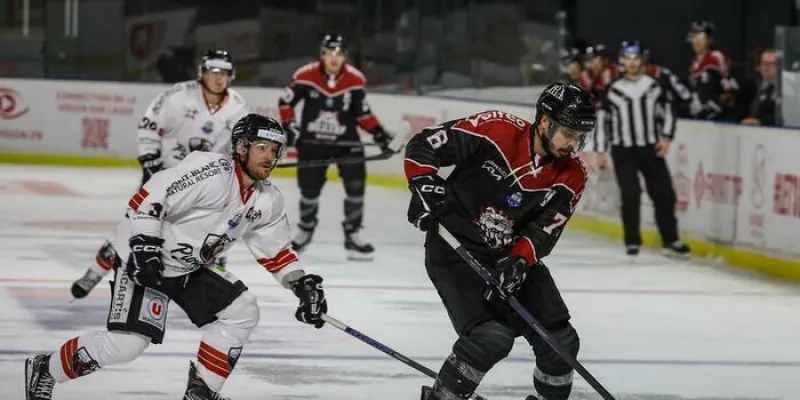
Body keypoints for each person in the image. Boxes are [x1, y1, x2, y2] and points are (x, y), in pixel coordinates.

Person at [25, 114, 328, 400]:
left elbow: (277, 253)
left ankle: (201, 392)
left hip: (187, 267)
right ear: (241, 147)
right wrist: (145, 246)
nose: (269, 156)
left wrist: (302, 285)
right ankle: (46, 368)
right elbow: (152, 195)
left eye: (275, 149)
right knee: (127, 344)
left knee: (242, 309)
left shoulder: (268, 198)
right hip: (144, 259)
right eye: (261, 147)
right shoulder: (211, 172)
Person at [404, 82, 596, 400]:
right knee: (490, 338)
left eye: (580, 137)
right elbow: (426, 144)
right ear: (545, 122)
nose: (574, 145)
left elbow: (546, 229)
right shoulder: (496, 128)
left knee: (560, 344)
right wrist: (424, 182)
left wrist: (521, 259)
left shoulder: (572, 174)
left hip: (510, 255)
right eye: (569, 133)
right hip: (455, 249)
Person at [69, 48, 251, 300]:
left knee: (212, 231)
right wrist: (150, 160)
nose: (218, 77)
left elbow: (241, 148)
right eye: (213, 71)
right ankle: (95, 272)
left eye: (224, 72)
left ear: (231, 76)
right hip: (165, 173)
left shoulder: (238, 108)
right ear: (203, 73)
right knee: (134, 226)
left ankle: (211, 284)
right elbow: (150, 126)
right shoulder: (179, 96)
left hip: (204, 182)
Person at [278, 33, 393, 261]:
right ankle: (305, 231)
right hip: (312, 143)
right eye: (329, 53)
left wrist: (378, 133)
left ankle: (353, 234)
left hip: (346, 144)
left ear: (344, 57)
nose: (333, 58)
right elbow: (286, 103)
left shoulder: (355, 79)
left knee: (356, 187)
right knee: (309, 191)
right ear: (322, 55)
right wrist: (290, 126)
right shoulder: (305, 75)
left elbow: (362, 113)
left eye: (338, 54)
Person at [594, 41, 690, 258]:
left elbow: (668, 112)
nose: (632, 63)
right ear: (621, 62)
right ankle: (632, 241)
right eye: (627, 59)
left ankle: (670, 240)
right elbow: (602, 121)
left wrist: (666, 138)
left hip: (650, 147)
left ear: (642, 61)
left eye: (636, 59)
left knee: (664, 194)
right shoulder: (612, 90)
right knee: (630, 194)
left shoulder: (654, 86)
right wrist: (600, 150)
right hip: (623, 149)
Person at [687, 21, 735, 120]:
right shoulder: (693, 63)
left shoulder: (716, 57)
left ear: (709, 40)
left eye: (701, 37)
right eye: (694, 37)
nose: (697, 41)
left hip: (718, 117)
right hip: (699, 115)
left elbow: (729, 84)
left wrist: (721, 101)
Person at [739, 49, 779, 126]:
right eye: (764, 63)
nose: (767, 67)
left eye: (772, 64)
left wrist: (761, 121)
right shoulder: (751, 85)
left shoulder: (784, 88)